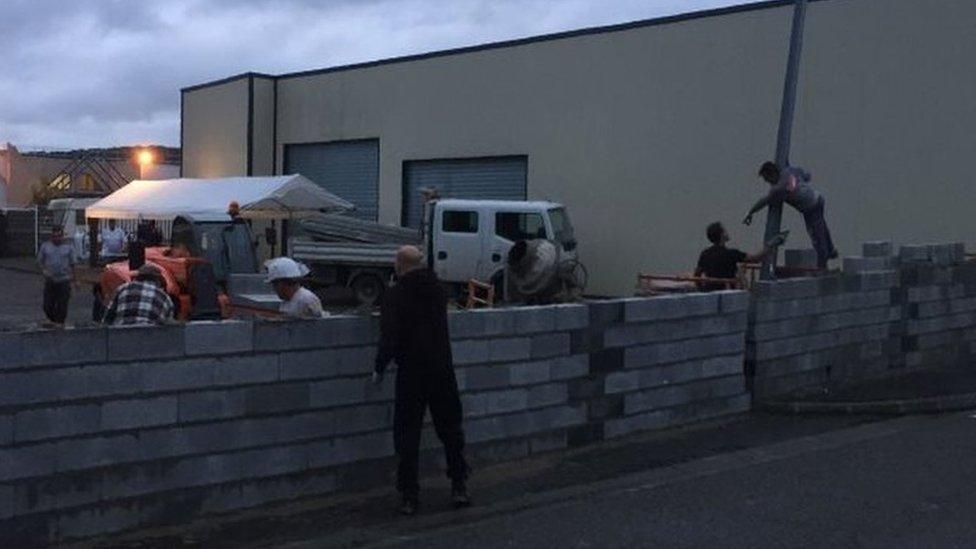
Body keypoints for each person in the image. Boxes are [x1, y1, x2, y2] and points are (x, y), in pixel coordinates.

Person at [373, 245, 470, 516]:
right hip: (441, 369)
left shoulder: (395, 295)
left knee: (407, 435)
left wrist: (379, 366)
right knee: (450, 430)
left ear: (399, 265)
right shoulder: (438, 290)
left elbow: (389, 335)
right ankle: (459, 485)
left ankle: (409, 496)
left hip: (411, 373)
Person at [743, 161, 838, 269]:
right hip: (817, 199)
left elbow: (764, 201)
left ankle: (822, 265)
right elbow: (806, 176)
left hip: (810, 208)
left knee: (816, 235)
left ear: (772, 174)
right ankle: (831, 251)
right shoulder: (789, 171)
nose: (768, 182)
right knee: (822, 228)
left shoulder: (778, 189)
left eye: (767, 179)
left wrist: (751, 212)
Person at [695, 222, 774, 291]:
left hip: (710, 292)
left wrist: (702, 290)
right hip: (728, 293)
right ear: (722, 235)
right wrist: (769, 247)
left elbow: (697, 275)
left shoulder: (705, 254)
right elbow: (755, 258)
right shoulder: (731, 254)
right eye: (725, 231)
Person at [102, 264, 175, 325]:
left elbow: (107, 318)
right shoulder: (166, 298)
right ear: (158, 281)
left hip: (121, 335)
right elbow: (169, 327)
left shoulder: (122, 289)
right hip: (150, 337)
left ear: (138, 277)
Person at [36, 226, 77, 326]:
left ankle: (59, 323)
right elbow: (39, 262)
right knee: (47, 305)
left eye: (59, 236)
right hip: (50, 280)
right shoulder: (45, 247)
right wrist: (44, 270)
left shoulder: (68, 247)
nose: (57, 238)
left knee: (62, 305)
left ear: (62, 236)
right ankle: (53, 320)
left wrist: (75, 280)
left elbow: (73, 264)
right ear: (51, 236)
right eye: (54, 236)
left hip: (64, 280)